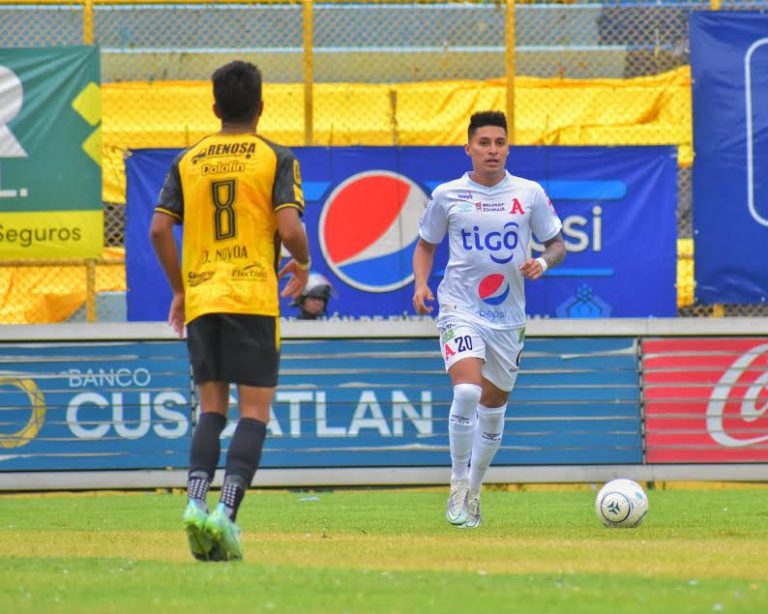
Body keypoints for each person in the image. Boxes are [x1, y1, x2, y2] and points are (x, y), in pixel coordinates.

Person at [149, 60, 310, 561]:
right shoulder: (274, 157)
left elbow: (158, 229)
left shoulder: (188, 159)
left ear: (215, 107)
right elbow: (289, 229)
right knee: (254, 412)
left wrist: (180, 291)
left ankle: (195, 504)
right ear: (261, 106)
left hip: (203, 297)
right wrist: (304, 262)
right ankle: (226, 515)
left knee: (212, 410)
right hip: (251, 297)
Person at [412, 110, 565, 528]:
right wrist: (421, 284)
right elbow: (426, 244)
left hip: (507, 319)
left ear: (508, 148)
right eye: (484, 143)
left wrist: (542, 263)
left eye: (500, 142)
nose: (492, 150)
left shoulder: (529, 193)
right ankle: (457, 482)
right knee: (466, 391)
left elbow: (557, 244)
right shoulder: (447, 195)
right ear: (469, 148)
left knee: (493, 409)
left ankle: (475, 490)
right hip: (459, 308)